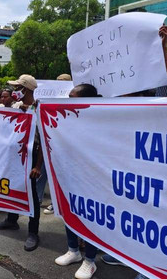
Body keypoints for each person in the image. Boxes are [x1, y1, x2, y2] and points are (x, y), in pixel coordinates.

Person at [0, 74, 45, 252]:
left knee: (32, 195)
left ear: (26, 89)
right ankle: (11, 220)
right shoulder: (15, 106)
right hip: (14, 154)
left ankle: (33, 232)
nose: (15, 91)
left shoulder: (40, 110)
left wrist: (38, 166)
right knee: (12, 186)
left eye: (18, 88)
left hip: (32, 154)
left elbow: (44, 141)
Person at [54, 83, 101, 279]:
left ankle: (90, 261)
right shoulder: (70, 116)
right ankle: (73, 250)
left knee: (91, 216)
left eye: (73, 97)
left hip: (93, 178)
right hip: (72, 174)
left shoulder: (100, 118)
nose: (69, 100)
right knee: (70, 211)